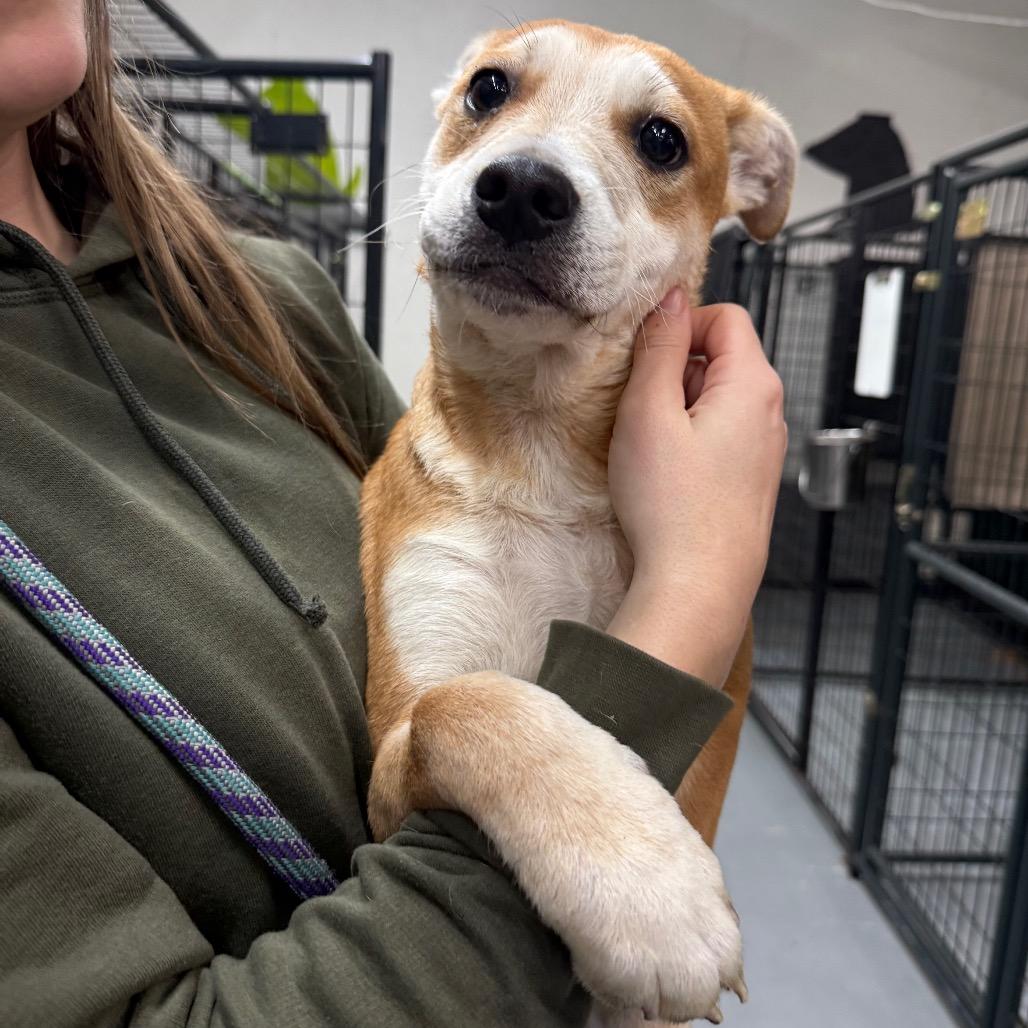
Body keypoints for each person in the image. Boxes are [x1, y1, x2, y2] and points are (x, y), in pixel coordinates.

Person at [0, 2, 786, 1025]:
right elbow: (415, 767)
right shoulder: (460, 485)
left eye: (657, 141)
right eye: (494, 95)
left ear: (739, 193)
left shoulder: (265, 299)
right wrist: (694, 583)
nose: (530, 169)